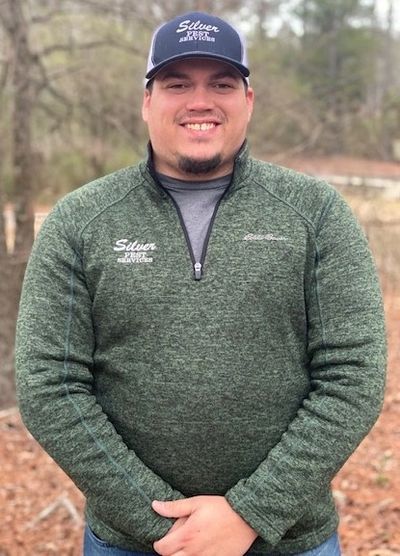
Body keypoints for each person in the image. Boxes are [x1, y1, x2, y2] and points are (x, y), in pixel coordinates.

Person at [15, 10, 386, 556]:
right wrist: (165, 525)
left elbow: (353, 376)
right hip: (130, 543)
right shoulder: (80, 221)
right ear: (147, 102)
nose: (200, 101)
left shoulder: (316, 213)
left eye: (221, 84)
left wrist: (252, 513)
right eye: (176, 84)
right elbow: (49, 384)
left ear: (248, 100)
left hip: (289, 541)